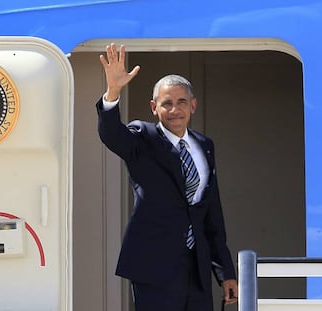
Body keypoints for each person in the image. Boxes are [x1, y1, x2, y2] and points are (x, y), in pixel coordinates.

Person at [96, 43, 238, 311]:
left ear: (193, 105)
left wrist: (225, 272)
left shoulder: (204, 145)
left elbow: (211, 215)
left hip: (196, 269)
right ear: (154, 107)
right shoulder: (143, 137)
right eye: (167, 103)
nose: (175, 110)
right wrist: (113, 92)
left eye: (181, 102)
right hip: (154, 265)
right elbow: (112, 135)